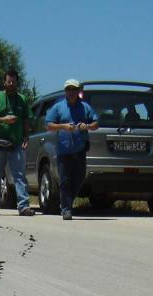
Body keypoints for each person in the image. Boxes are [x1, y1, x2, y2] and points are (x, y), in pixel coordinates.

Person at [45, 79, 99, 220]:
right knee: (65, 180)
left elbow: (96, 124)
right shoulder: (58, 107)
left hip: (80, 149)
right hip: (63, 150)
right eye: (68, 89)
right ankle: (66, 209)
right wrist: (63, 126)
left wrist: (85, 126)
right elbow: (48, 125)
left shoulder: (85, 107)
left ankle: (67, 201)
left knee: (80, 179)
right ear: (65, 91)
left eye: (73, 89)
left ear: (78, 91)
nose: (71, 92)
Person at [0, 69, 33, 216]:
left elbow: (26, 119)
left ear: (17, 82)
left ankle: (23, 206)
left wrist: (26, 136)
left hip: (16, 143)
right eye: (8, 81)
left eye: (13, 81)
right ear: (4, 82)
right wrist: (3, 119)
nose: (11, 84)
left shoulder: (22, 99)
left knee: (19, 175)